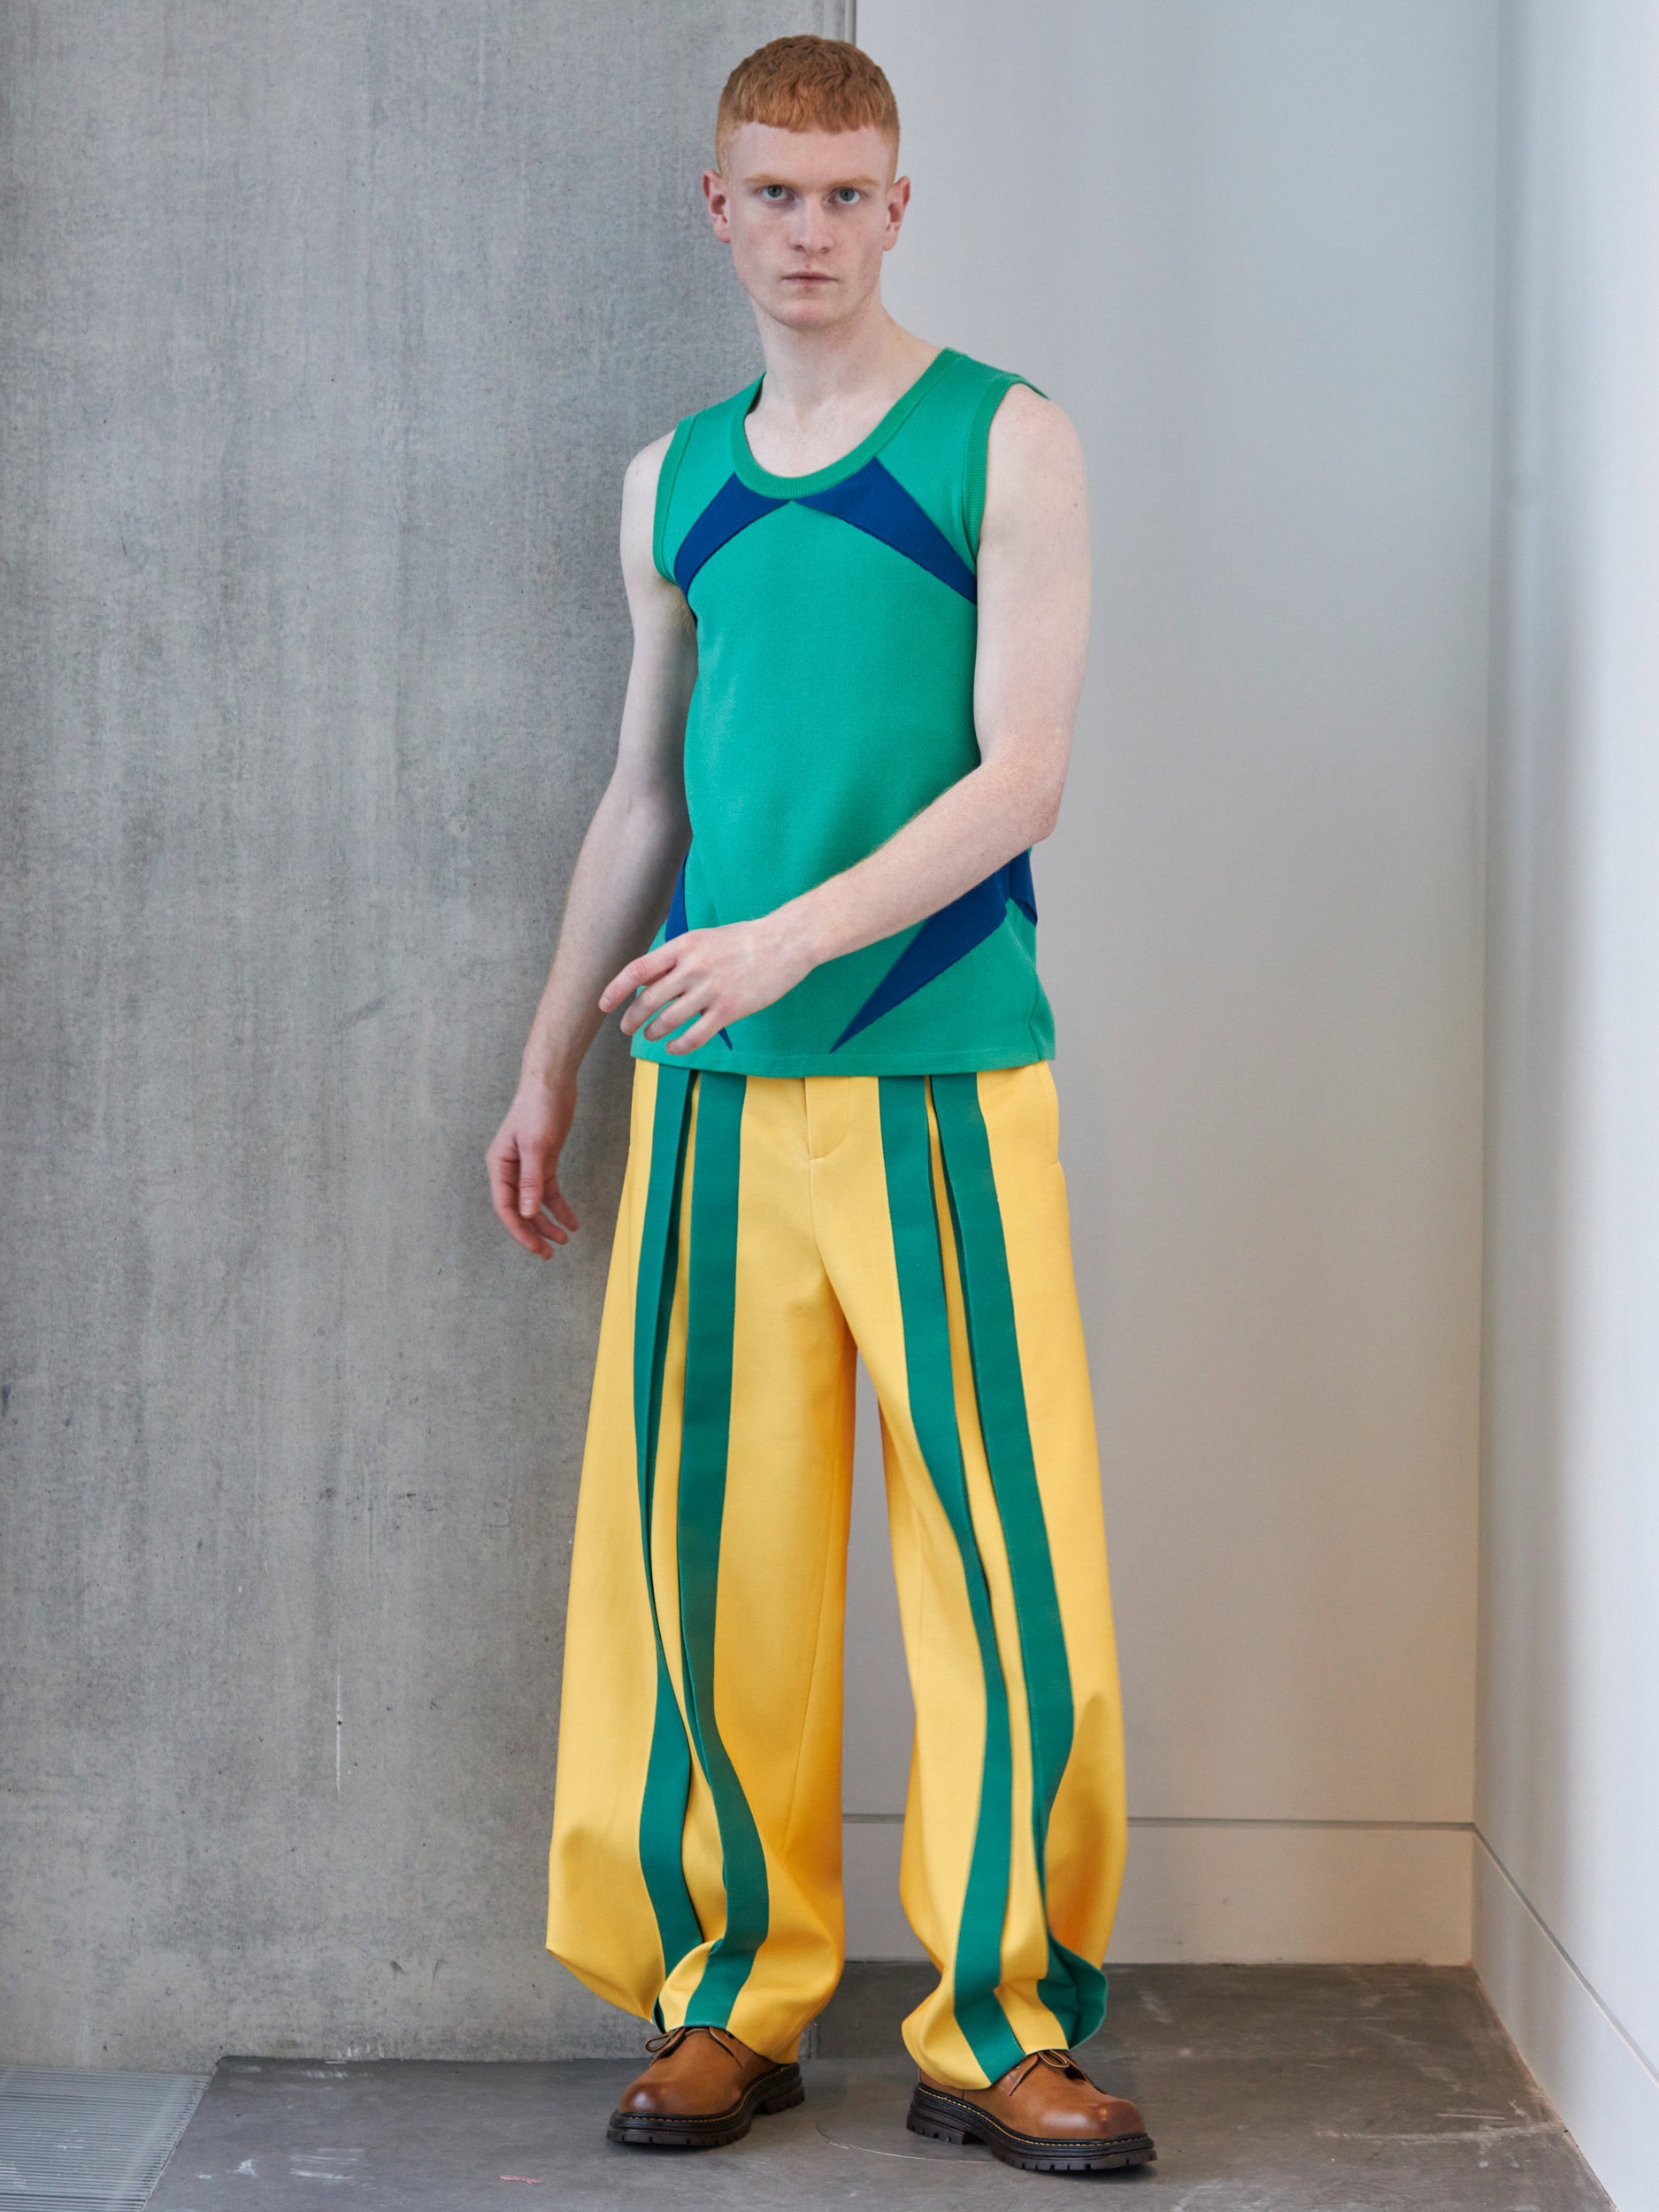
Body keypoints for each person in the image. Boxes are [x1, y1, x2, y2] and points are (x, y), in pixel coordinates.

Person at [486, 33, 1154, 2178]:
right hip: (707, 1100)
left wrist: (781, 940)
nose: (807, 230)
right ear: (717, 206)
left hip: (939, 1073)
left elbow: (1021, 772)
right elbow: (643, 793)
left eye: (844, 192)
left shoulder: (1002, 436)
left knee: (1001, 1565)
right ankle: (727, 2003)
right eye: (771, 192)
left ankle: (1001, 2024)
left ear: (895, 205)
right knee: (708, 1570)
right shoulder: (669, 478)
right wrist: (551, 1055)